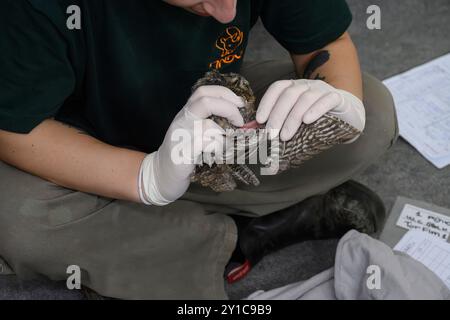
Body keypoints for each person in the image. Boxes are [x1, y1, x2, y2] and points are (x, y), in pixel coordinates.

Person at [0, 0, 398, 299]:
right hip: (74, 142)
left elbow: (326, 43)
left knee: (371, 114)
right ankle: (226, 235)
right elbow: (14, 130)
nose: (228, 12)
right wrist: (146, 178)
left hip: (206, 116)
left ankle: (142, 241)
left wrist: (337, 99)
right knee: (17, 221)